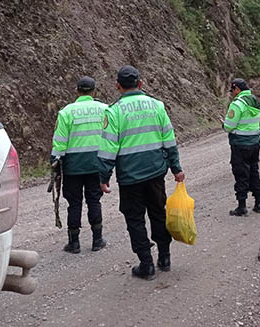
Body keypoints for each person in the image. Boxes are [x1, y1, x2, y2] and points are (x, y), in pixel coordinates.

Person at [97, 66, 185, 280]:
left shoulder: (114, 111)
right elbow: (169, 141)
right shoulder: (157, 106)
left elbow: (108, 149)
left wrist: (103, 177)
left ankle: (146, 265)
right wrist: (176, 168)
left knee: (134, 219)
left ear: (118, 86)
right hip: (156, 173)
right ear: (141, 83)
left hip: (130, 177)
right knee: (158, 213)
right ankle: (164, 258)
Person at [51, 76, 107, 254]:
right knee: (94, 200)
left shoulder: (66, 112)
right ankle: (97, 240)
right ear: (94, 91)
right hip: (96, 163)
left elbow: (59, 142)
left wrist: (54, 160)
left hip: (73, 166)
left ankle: (74, 243)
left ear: (76, 91)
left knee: (74, 203)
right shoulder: (105, 109)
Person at [223, 78, 260, 216]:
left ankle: (242, 206)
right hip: (254, 143)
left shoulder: (237, 103)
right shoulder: (255, 101)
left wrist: (224, 124)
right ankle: (259, 202)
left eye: (233, 91)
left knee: (241, 174)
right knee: (254, 171)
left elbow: (229, 126)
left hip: (240, 144)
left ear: (237, 89)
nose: (232, 94)